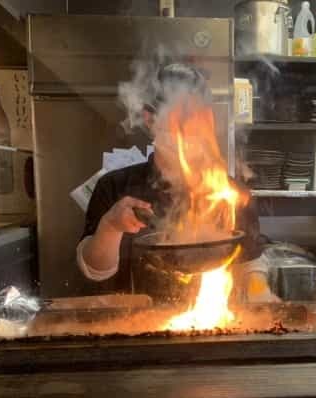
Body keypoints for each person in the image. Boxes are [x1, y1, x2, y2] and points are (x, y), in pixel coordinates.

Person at [76, 63, 267, 304]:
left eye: (201, 118)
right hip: (135, 327)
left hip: (212, 326)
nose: (194, 130)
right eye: (182, 119)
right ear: (150, 119)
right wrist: (111, 225)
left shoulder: (228, 193)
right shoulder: (114, 186)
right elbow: (94, 271)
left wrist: (261, 294)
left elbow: (251, 264)